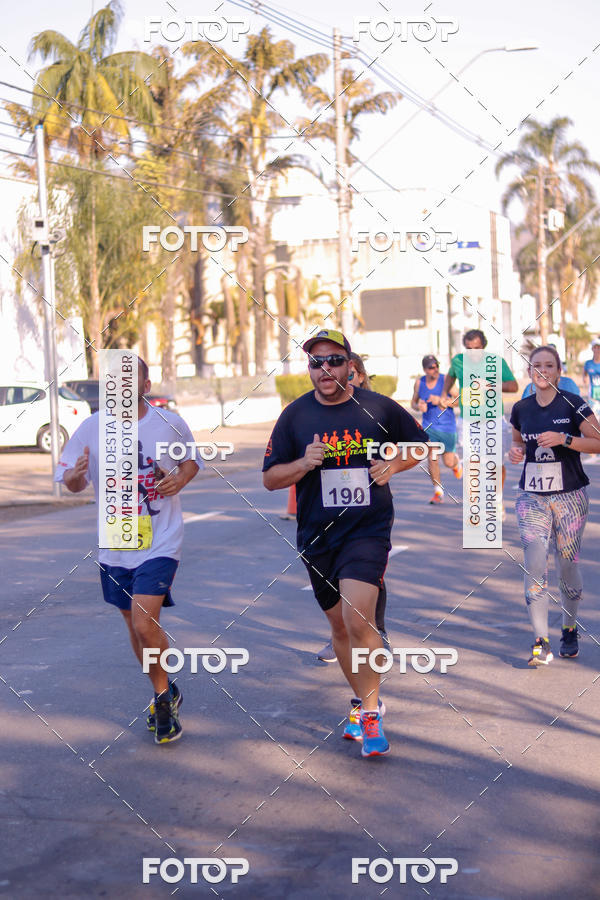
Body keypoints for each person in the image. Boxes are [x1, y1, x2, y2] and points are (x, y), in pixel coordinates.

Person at [263, 329, 428, 758]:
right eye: (316, 363)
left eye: (334, 360)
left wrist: (393, 464)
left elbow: (418, 447)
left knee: (359, 620)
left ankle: (371, 714)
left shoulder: (377, 407)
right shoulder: (295, 417)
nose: (325, 370)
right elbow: (269, 479)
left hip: (367, 528)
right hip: (317, 535)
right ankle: (359, 699)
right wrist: (303, 463)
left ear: (350, 365)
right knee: (339, 629)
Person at [55, 357, 199, 743]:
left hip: (161, 538)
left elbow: (191, 463)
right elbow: (68, 480)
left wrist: (178, 481)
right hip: (117, 539)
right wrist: (75, 474)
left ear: (145, 383)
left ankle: (162, 700)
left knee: (142, 622)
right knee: (134, 629)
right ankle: (165, 690)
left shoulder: (169, 423)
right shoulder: (91, 427)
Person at [508, 345, 600, 665]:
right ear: (529, 371)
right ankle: (540, 640)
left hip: (570, 496)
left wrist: (565, 439)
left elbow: (598, 441)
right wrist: (515, 453)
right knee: (534, 562)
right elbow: (518, 443)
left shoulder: (573, 404)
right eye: (537, 365)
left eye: (549, 365)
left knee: (567, 566)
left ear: (559, 371)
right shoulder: (521, 408)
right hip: (532, 496)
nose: (542, 370)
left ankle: (569, 628)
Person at [316, 351, 389, 663]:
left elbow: (410, 444)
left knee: (369, 578)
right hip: (328, 517)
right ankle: (340, 636)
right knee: (334, 585)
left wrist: (391, 464)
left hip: (368, 515)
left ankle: (377, 631)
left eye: (345, 370)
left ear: (355, 373)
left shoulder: (375, 408)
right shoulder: (318, 410)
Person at [442, 328, 518, 505]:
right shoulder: (458, 361)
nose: (472, 353)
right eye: (469, 348)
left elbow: (513, 386)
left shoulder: (496, 361)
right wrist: (445, 392)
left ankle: (497, 501)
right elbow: (450, 376)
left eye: (476, 348)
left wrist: (490, 385)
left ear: (483, 346)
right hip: (468, 420)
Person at [411, 354, 462, 504]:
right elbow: (413, 402)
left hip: (448, 427)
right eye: (431, 367)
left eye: (436, 366)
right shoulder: (419, 383)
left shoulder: (446, 380)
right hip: (429, 427)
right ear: (425, 369)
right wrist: (418, 406)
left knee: (448, 461)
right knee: (432, 458)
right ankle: (438, 492)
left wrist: (441, 401)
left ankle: (456, 463)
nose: (435, 369)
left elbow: (459, 400)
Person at [583, 338, 600, 415]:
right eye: (595, 347)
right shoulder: (588, 363)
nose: (597, 350)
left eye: (598, 347)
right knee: (595, 418)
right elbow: (584, 375)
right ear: (592, 349)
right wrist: (585, 379)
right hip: (592, 395)